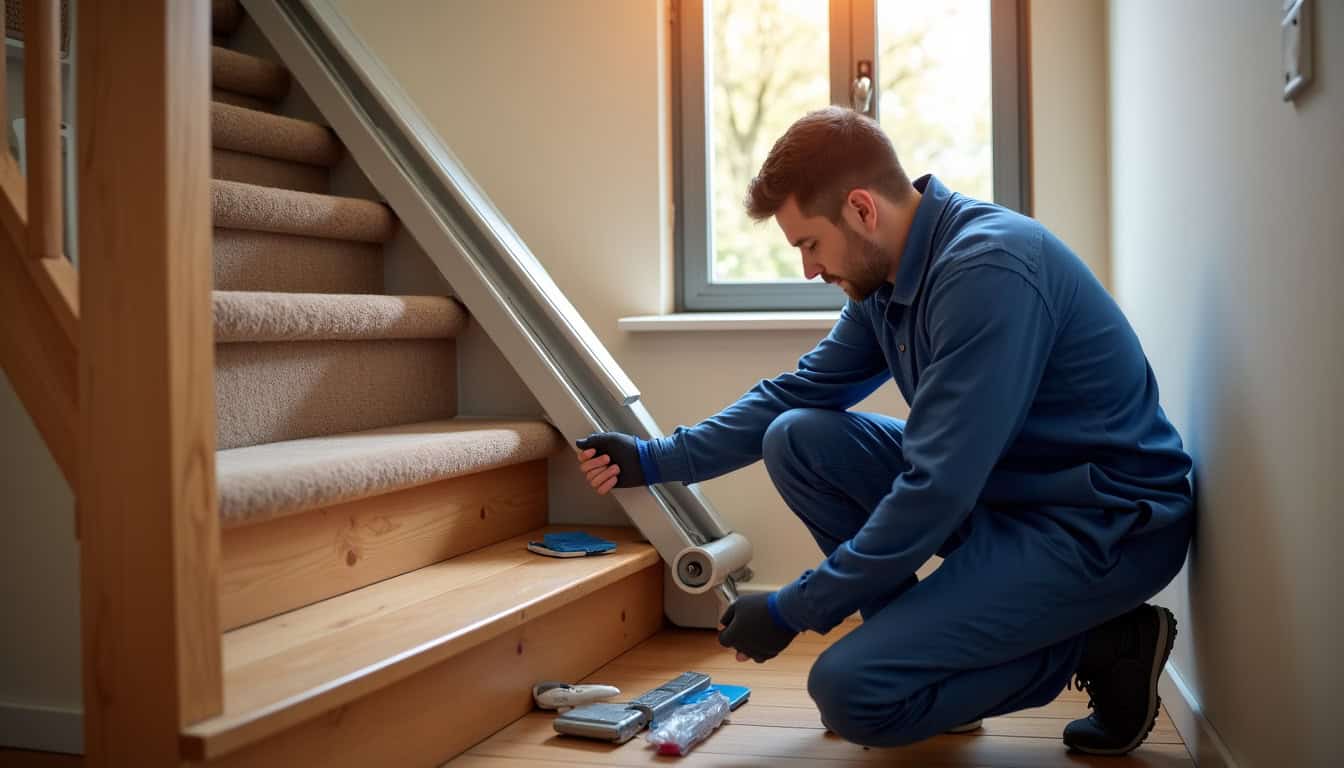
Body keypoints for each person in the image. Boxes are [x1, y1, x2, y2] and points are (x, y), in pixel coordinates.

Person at [574, 106, 1193, 757]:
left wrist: (791, 609)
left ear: (863, 210)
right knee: (797, 437)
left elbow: (936, 489)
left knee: (851, 692)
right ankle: (926, 667)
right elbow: (798, 393)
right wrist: (654, 458)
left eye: (809, 243)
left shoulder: (987, 272)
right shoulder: (888, 280)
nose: (808, 269)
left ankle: (1108, 644)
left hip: (1103, 525)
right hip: (1007, 499)